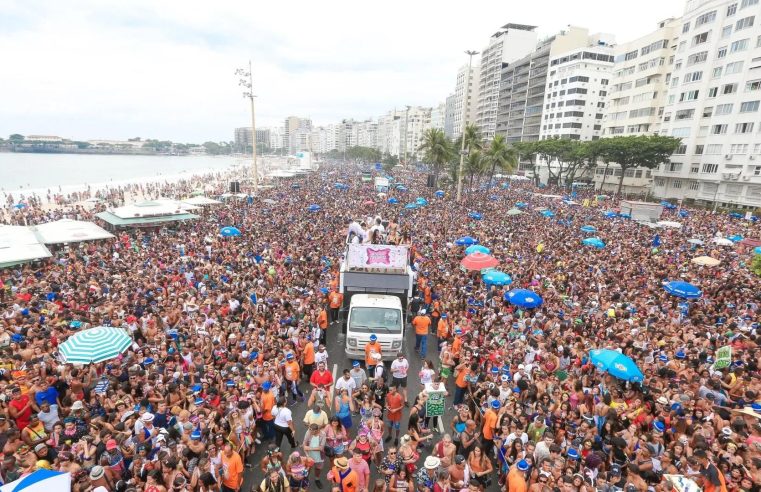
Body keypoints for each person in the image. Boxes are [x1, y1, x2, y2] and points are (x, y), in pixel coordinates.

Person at [302, 423, 326, 489]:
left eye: (311, 431)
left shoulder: (323, 434)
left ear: (316, 430)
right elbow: (304, 444)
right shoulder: (308, 432)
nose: (309, 432)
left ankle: (317, 479)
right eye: (309, 430)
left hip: (319, 456)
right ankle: (305, 479)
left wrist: (309, 448)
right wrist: (307, 456)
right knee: (308, 468)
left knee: (318, 468)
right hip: (309, 455)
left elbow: (321, 448)